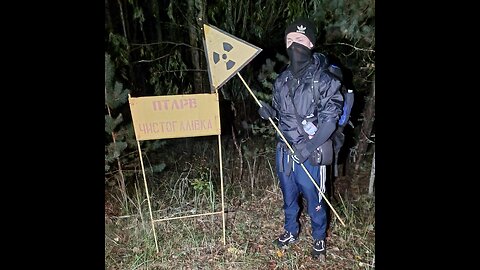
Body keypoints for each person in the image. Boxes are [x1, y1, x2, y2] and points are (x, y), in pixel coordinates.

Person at [258, 17, 344, 259]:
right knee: (288, 194)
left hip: (311, 152)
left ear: (311, 44)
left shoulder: (324, 79)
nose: (295, 45)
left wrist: (309, 147)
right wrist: (269, 112)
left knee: (314, 197)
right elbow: (279, 111)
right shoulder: (282, 79)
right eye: (291, 40)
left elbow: (330, 119)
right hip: (284, 149)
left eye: (301, 40)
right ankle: (291, 231)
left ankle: (318, 238)